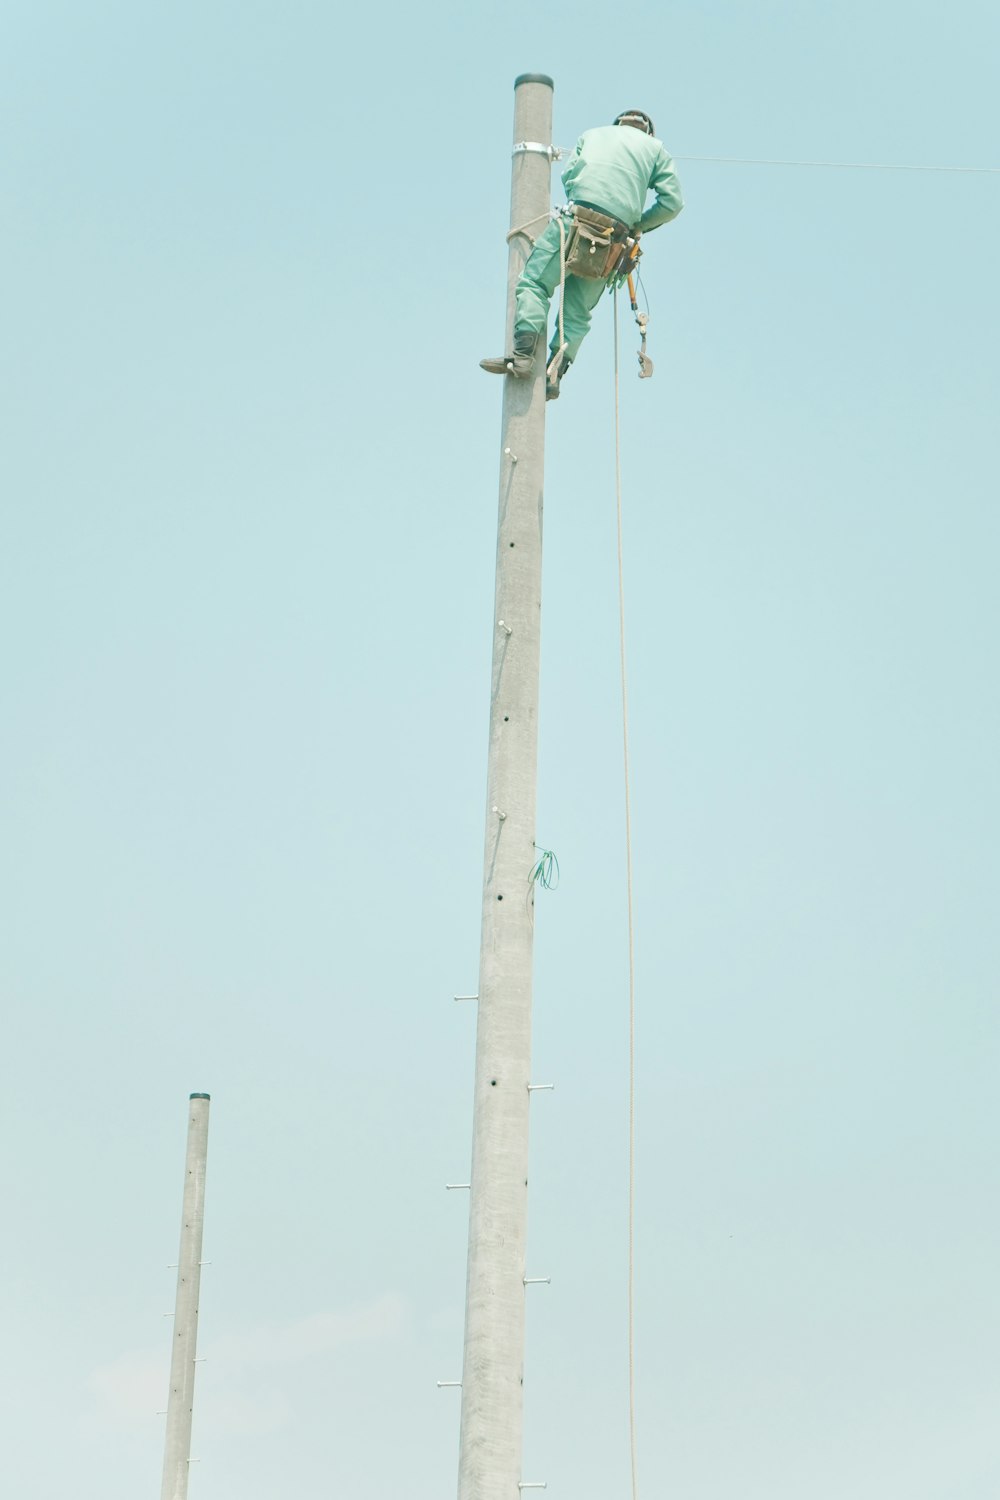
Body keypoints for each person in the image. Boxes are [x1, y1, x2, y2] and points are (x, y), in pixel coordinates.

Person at [480, 110, 683, 398]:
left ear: (618, 124)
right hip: (613, 238)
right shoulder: (656, 148)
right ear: (647, 131)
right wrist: (639, 225)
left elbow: (570, 175)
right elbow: (673, 203)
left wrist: (587, 195)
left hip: (575, 222)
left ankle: (524, 355)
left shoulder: (592, 134)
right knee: (577, 311)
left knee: (535, 283)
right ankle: (554, 374)